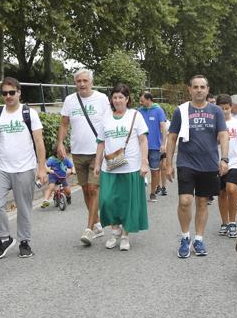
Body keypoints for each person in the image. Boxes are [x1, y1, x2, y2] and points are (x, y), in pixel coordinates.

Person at [165, 75, 228, 258]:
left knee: (202, 202)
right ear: (190, 89)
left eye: (202, 87)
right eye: (195, 87)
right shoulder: (181, 111)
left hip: (208, 164)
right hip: (186, 162)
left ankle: (199, 238)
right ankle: (185, 237)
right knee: (185, 201)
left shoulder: (216, 111)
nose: (199, 90)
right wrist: (168, 164)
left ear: (207, 90)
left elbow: (223, 135)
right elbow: (171, 137)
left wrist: (224, 159)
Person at [0, 77, 47, 259]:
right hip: (3, 169)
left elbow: (39, 142)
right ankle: (4, 238)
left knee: (23, 207)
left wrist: (41, 167)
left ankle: (24, 242)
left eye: (12, 92)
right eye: (5, 93)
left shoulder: (29, 113)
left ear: (19, 92)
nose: (8, 96)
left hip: (25, 167)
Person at [58, 69, 111, 246]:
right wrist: (60, 143)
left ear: (91, 82)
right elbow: (64, 123)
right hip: (78, 151)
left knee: (94, 188)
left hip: (97, 152)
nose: (81, 84)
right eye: (78, 81)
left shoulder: (102, 99)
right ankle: (96, 223)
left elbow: (109, 123)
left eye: (85, 81)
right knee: (86, 189)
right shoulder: (70, 100)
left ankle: (88, 229)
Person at [94, 84, 149, 251]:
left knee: (128, 203)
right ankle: (115, 229)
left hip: (131, 166)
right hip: (109, 166)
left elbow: (143, 140)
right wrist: (97, 163)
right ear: (111, 99)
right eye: (115, 97)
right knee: (106, 201)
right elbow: (101, 142)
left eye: (121, 97)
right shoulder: (106, 117)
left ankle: (125, 235)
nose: (117, 100)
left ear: (127, 99)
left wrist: (144, 162)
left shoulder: (135, 115)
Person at [216, 94, 237, 238]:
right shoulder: (214, 124)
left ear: (231, 108)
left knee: (231, 188)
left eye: (227, 108)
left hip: (234, 162)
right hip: (217, 163)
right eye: (221, 109)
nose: (224, 111)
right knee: (222, 192)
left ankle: (232, 222)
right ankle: (224, 222)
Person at [138, 92, 167, 202]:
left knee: (155, 171)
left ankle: (153, 193)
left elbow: (164, 128)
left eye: (142, 100)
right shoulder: (139, 111)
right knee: (140, 171)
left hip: (155, 147)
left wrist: (163, 144)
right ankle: (139, 194)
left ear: (149, 99)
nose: (141, 102)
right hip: (141, 147)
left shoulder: (158, 110)